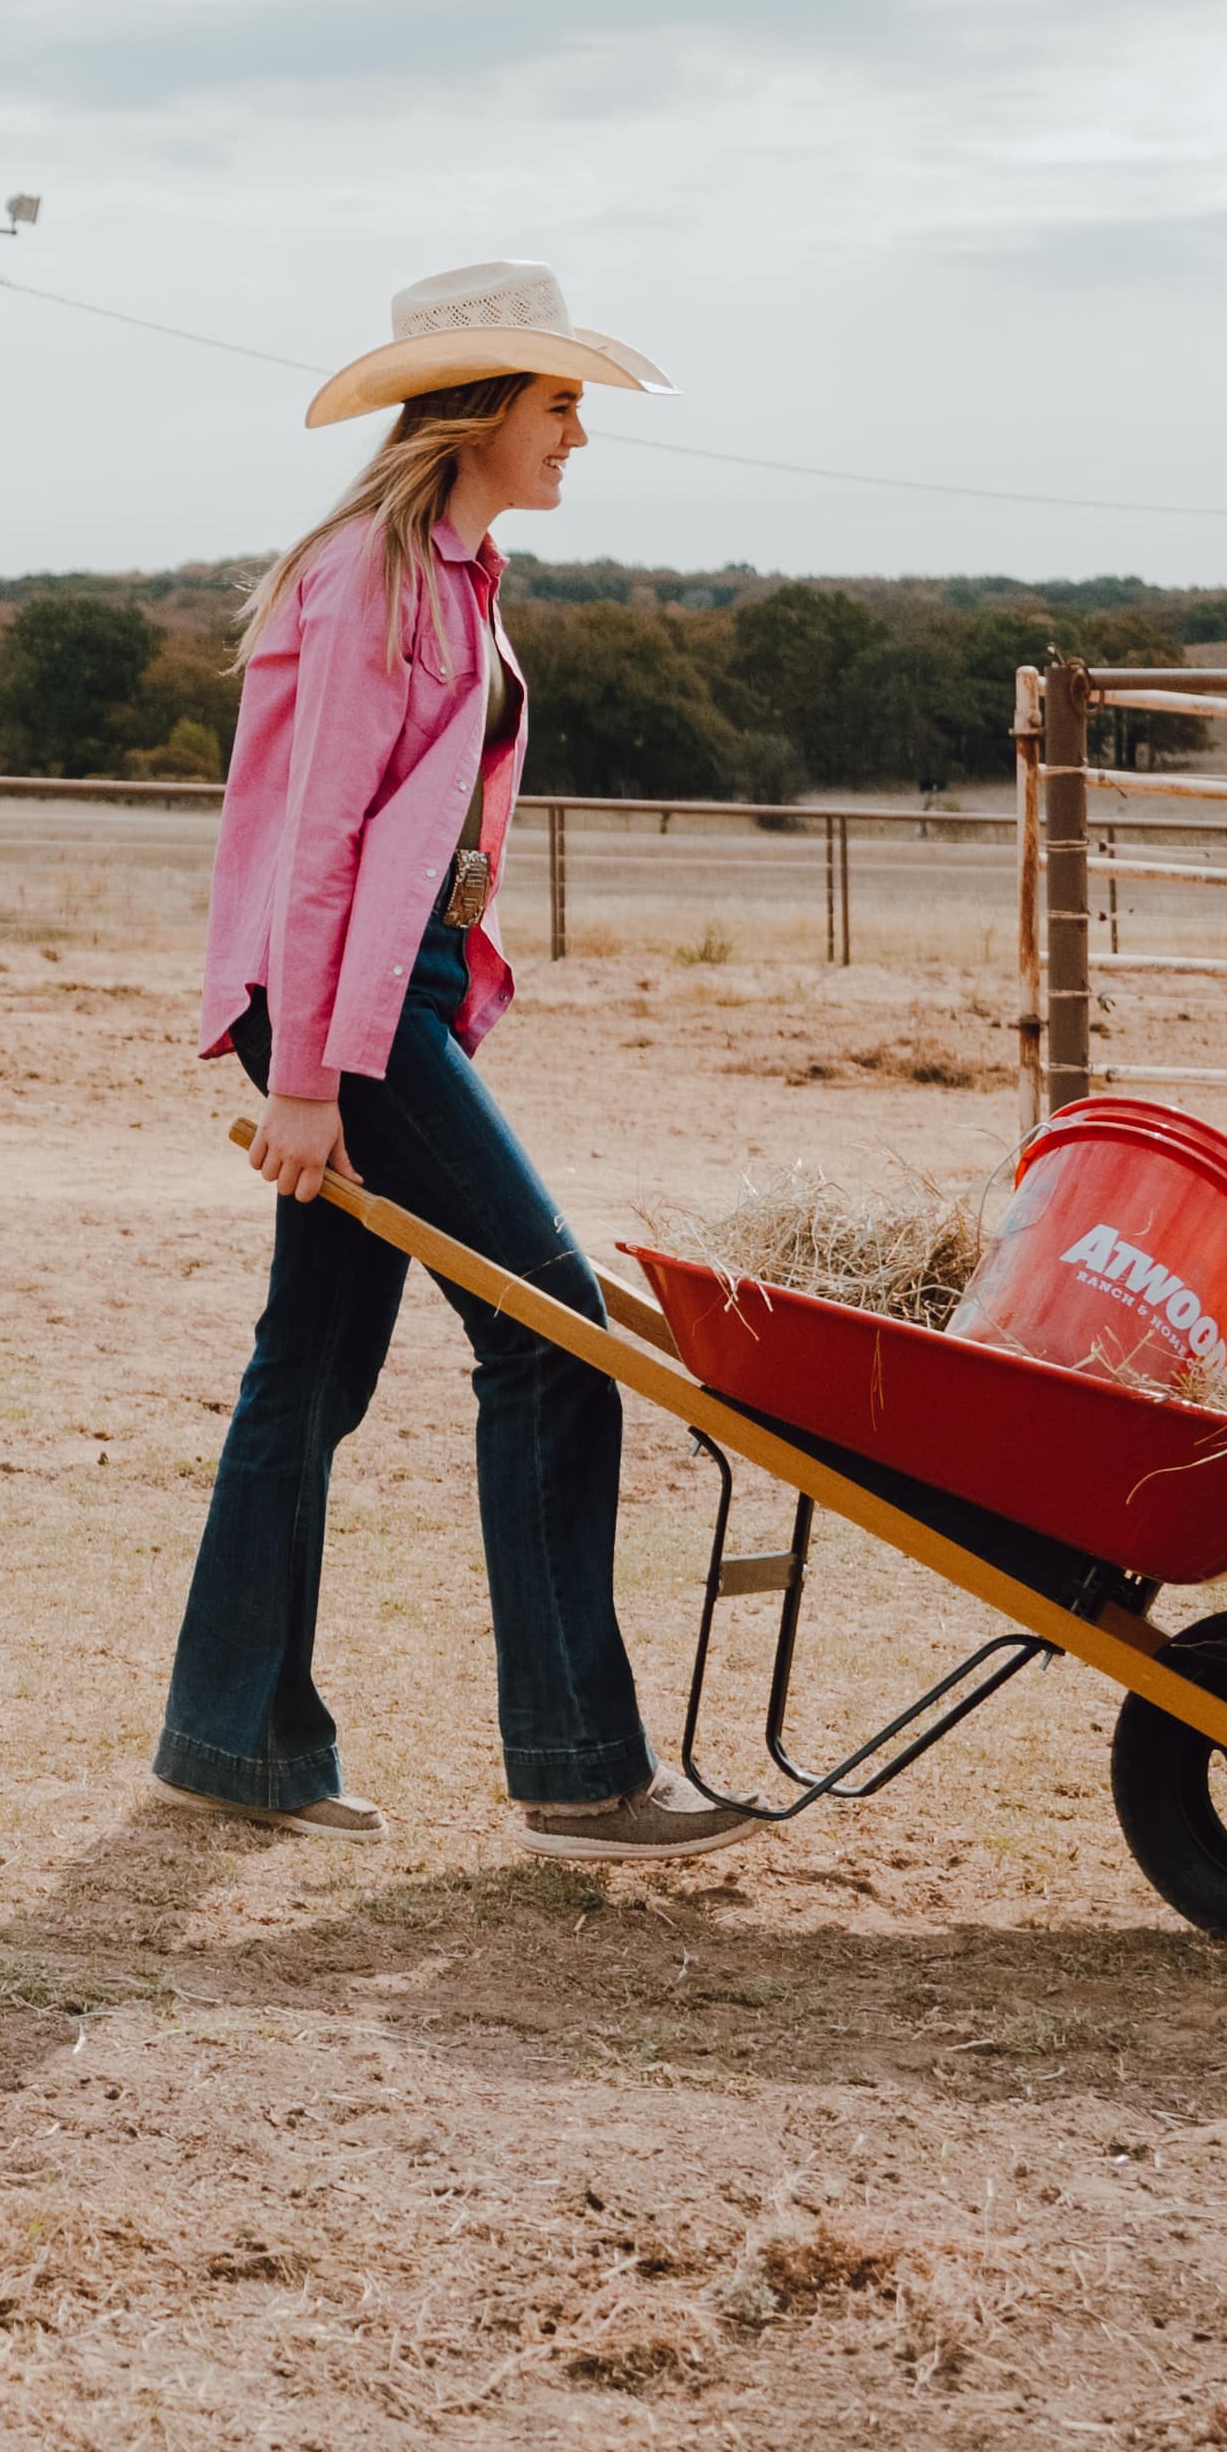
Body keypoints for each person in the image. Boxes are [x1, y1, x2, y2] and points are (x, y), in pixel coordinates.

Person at [155, 259, 746, 1853]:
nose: (579, 435)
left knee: (312, 1366)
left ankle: (235, 1741)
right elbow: (322, 838)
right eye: (561, 406)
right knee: (555, 1340)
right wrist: (311, 1076)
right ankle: (582, 1769)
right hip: (341, 1005)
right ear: (483, 409)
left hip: (370, 997)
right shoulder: (375, 576)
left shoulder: (459, 570)